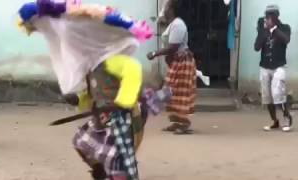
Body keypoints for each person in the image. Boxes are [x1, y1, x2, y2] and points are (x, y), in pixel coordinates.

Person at [17, 1, 153, 179]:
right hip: (103, 117)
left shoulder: (112, 61)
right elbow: (91, 93)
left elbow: (133, 68)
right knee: (82, 142)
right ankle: (102, 171)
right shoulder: (91, 68)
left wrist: (123, 101)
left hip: (121, 117)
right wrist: (78, 100)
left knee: (118, 159)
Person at [147, 0, 197, 134]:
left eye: (167, 7)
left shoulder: (178, 24)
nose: (164, 9)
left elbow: (173, 47)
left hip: (182, 62)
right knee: (171, 91)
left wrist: (154, 53)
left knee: (178, 92)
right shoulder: (173, 24)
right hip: (177, 62)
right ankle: (176, 122)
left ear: (172, 9)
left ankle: (184, 123)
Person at [254, 5, 292, 132]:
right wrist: (262, 31)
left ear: (276, 17)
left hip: (278, 67)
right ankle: (274, 121)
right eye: (266, 16)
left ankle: (287, 118)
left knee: (278, 93)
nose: (267, 19)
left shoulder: (285, 28)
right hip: (265, 67)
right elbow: (256, 47)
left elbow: (286, 40)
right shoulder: (263, 29)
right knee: (267, 96)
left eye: (270, 16)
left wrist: (274, 29)